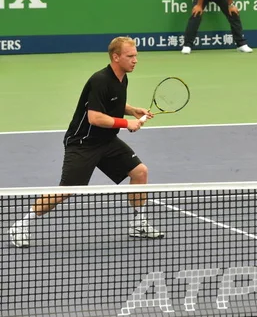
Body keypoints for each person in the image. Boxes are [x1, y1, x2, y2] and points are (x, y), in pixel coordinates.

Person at [9, 37, 164, 248]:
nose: (135, 60)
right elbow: (95, 118)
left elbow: (114, 102)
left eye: (136, 55)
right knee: (66, 190)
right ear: (115, 57)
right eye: (130, 56)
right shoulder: (100, 80)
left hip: (106, 141)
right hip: (83, 143)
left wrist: (133, 109)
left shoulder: (122, 78)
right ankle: (21, 225)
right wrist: (127, 122)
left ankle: (138, 222)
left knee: (140, 172)